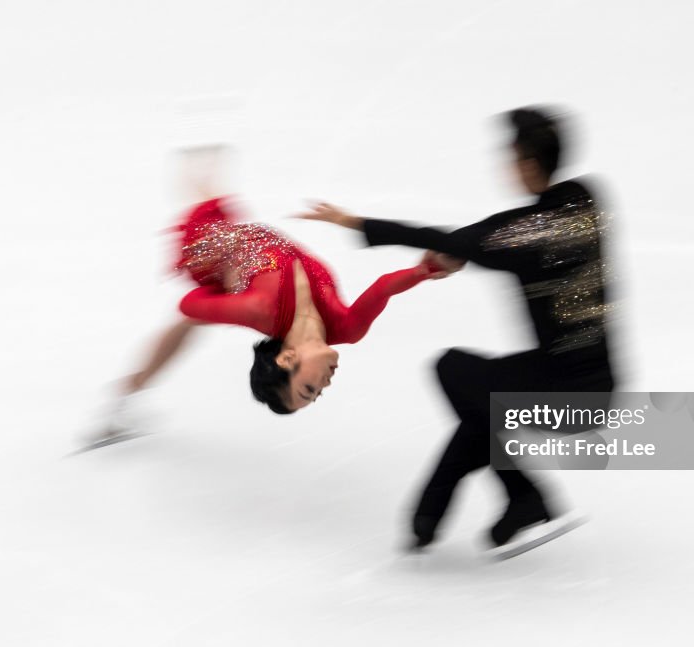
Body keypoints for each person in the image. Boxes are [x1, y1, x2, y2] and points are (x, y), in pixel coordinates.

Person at [298, 107, 617, 556]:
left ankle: (526, 497)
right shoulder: (586, 200)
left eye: (512, 157)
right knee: (480, 403)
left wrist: (354, 223)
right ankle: (429, 516)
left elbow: (465, 239)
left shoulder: (522, 236)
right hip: (600, 384)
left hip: (563, 396)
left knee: (456, 372)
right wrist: (460, 249)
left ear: (526, 163)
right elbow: (488, 237)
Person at [93, 162, 452, 442]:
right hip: (246, 246)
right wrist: (425, 270)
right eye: (318, 394)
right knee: (208, 175)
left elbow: (188, 305)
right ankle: (129, 392)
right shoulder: (347, 329)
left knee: (202, 177)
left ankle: (128, 392)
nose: (325, 385)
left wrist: (221, 301)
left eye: (309, 388)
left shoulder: (258, 310)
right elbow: (382, 288)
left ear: (288, 358)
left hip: (211, 249)